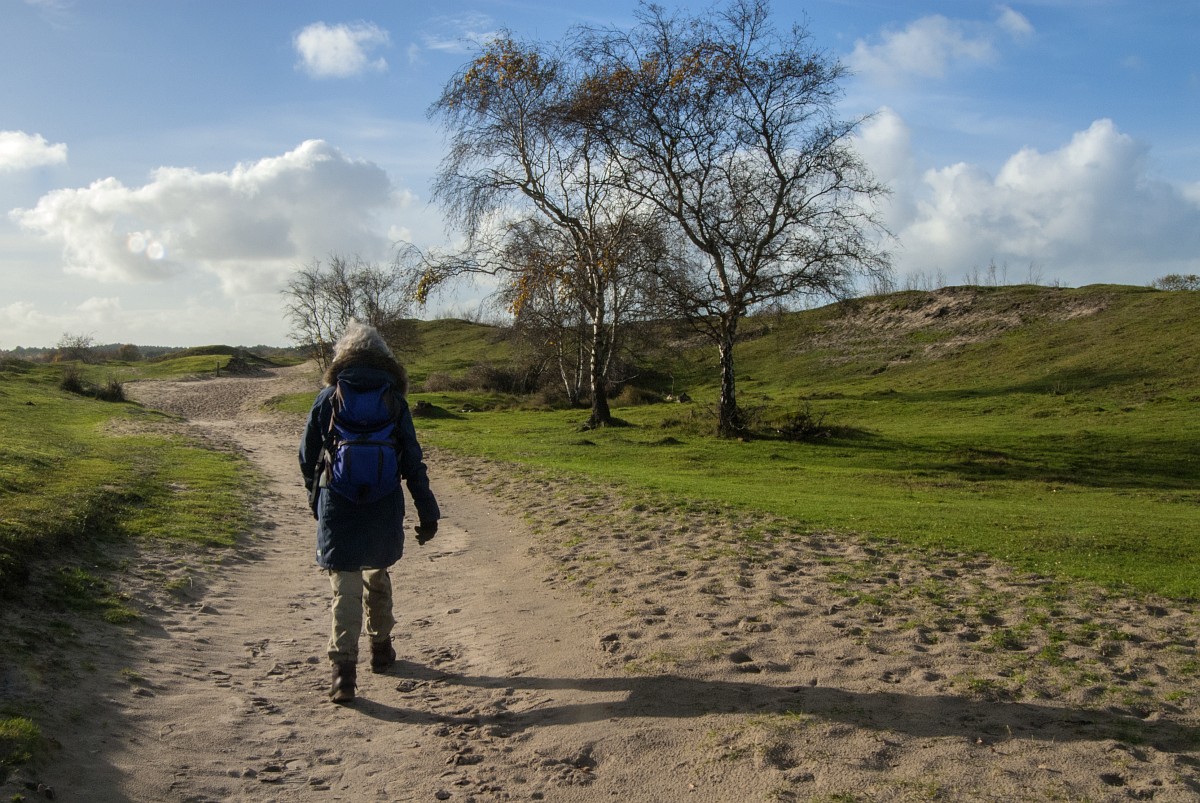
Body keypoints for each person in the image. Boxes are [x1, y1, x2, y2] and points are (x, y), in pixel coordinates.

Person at [299, 320, 440, 704]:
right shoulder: (394, 400)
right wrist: (427, 511)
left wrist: (316, 496)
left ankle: (343, 674)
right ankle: (381, 649)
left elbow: (307, 455)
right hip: (382, 502)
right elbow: (412, 461)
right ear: (382, 357)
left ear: (343, 355)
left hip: (338, 502)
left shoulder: (328, 397)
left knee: (344, 585)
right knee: (377, 574)